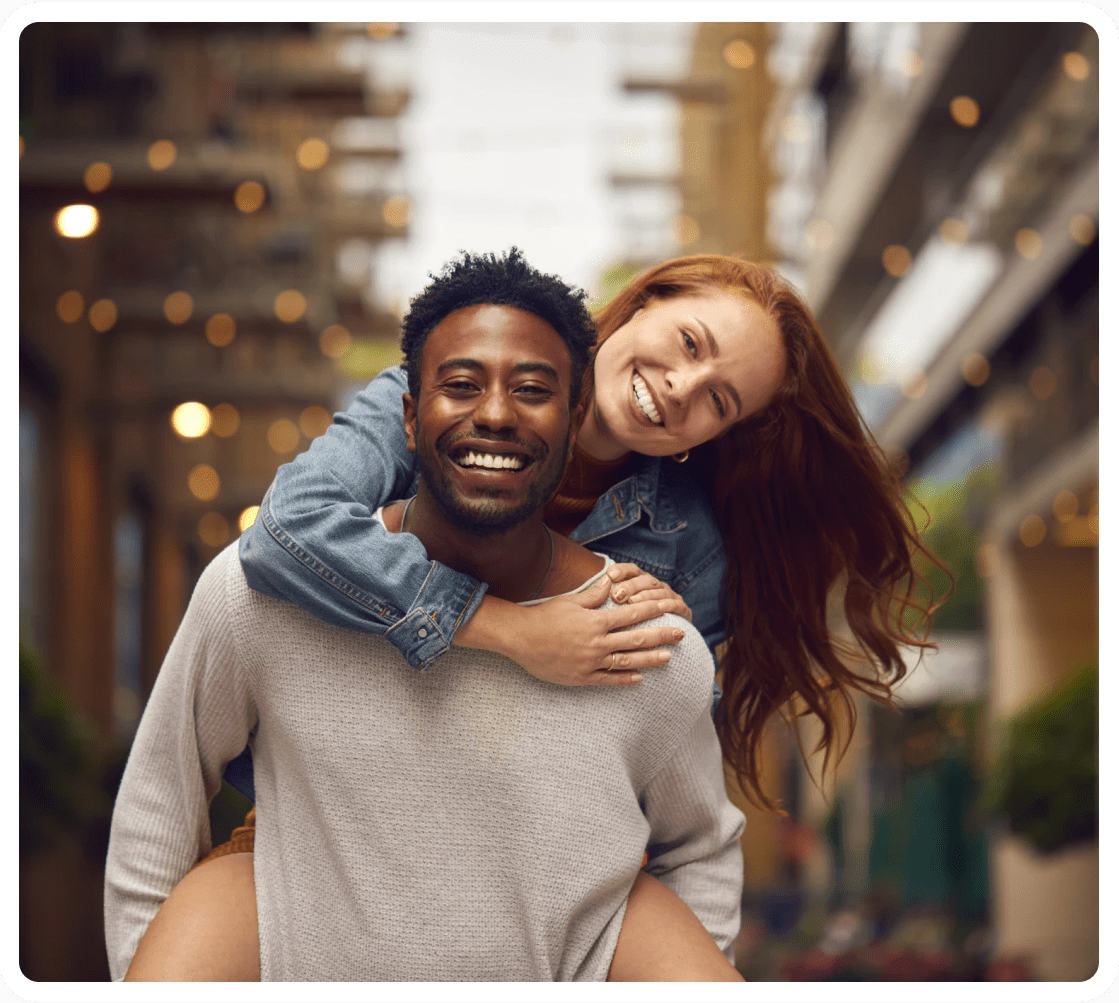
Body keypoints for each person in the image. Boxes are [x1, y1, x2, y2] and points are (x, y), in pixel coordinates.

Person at [105, 251, 747, 981]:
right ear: (409, 416)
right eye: (462, 385)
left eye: (532, 390)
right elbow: (159, 796)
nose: (497, 413)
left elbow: (699, 850)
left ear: (573, 423)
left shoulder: (641, 641)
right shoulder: (260, 595)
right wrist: (138, 968)